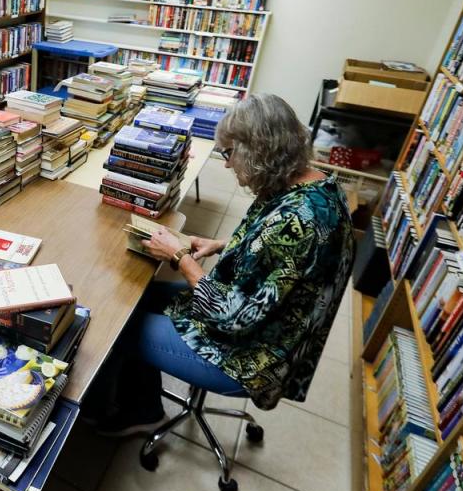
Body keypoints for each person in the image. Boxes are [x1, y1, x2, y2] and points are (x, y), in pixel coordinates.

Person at [89, 93, 355, 436]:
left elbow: (234, 317)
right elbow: (283, 259)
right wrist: (222, 245)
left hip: (248, 355)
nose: (227, 164)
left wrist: (180, 258)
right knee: (133, 297)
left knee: (119, 326)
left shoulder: (298, 220)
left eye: (229, 153)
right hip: (255, 320)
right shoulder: (314, 187)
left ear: (256, 150)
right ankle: (140, 401)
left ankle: (138, 411)